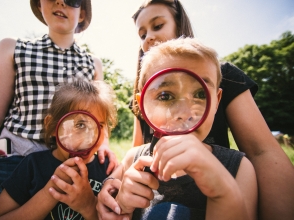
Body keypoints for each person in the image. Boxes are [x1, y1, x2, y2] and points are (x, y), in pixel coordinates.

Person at [123, 1, 293, 219]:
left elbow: (262, 152)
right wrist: (116, 190)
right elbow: (135, 155)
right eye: (142, 34)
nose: (148, 38)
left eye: (157, 26)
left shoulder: (224, 74)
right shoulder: (144, 93)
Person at [0, 0, 117, 218]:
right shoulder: (13, 48)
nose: (60, 2)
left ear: (82, 13)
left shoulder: (93, 63)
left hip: (69, 163)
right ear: (38, 4)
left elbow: (96, 114)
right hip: (14, 160)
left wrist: (104, 144)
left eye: (72, 0)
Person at [98, 37, 258, 220]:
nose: (183, 113)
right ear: (142, 105)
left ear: (217, 101)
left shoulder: (239, 169)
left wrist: (222, 192)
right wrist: (122, 209)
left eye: (199, 94)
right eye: (165, 96)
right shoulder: (132, 161)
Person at [0, 79, 118, 219]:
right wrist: (49, 193)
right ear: (53, 127)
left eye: (100, 125)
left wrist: (89, 206)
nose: (91, 136)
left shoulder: (109, 172)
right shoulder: (33, 165)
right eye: (80, 125)